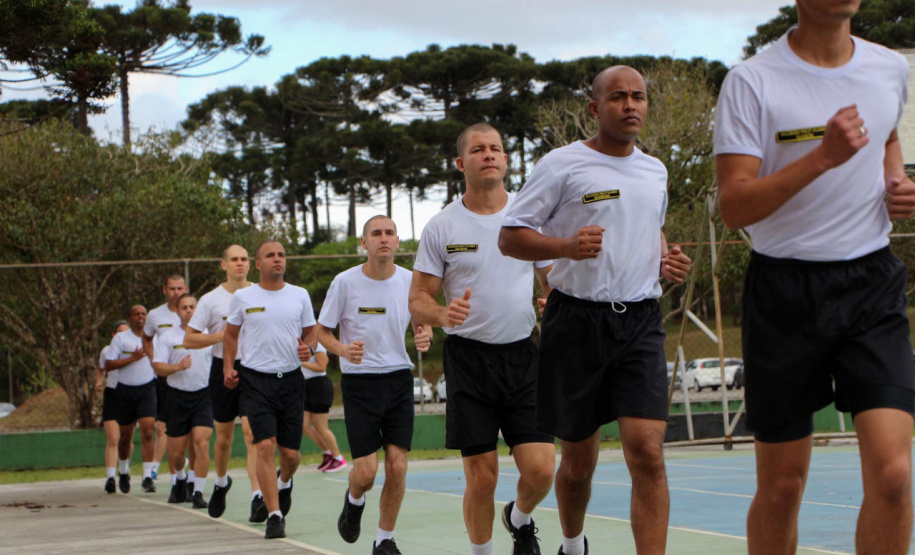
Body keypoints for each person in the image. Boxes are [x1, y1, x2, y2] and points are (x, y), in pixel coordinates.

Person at [713, 1, 915, 553]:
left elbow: (887, 139)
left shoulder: (889, 67)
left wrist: (895, 182)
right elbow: (734, 206)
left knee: (895, 475)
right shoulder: (752, 81)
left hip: (871, 285)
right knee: (781, 487)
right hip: (784, 291)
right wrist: (822, 156)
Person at [499, 66, 692, 555]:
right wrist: (564, 245)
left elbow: (648, 228)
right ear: (595, 108)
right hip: (577, 321)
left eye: (639, 97)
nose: (630, 105)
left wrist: (664, 257)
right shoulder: (561, 165)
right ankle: (571, 543)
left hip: (641, 323)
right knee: (579, 462)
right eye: (618, 97)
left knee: (647, 453)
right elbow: (510, 236)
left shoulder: (656, 170)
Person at [409, 123, 556, 555]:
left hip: (521, 357)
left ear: (506, 160)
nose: (488, 154)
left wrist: (555, 302)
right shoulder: (442, 226)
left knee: (542, 469)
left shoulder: (529, 217)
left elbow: (554, 281)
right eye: (478, 150)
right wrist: (442, 313)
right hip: (468, 361)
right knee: (483, 476)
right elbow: (417, 299)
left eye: (496, 148)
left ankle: (519, 517)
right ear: (461, 164)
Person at [317, 215, 431, 555]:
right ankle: (354, 500)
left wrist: (423, 333)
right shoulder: (344, 282)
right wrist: (341, 350)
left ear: (398, 242)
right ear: (364, 243)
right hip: (360, 383)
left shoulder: (412, 282)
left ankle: (384, 540)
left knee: (398, 465)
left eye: (390, 233)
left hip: (398, 379)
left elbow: (421, 322)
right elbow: (321, 333)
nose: (384, 238)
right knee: (365, 472)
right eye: (376, 233)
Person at [223, 240, 318, 540]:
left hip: (291, 381)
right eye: (270, 255)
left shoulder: (299, 295)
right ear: (258, 263)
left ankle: (285, 482)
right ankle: (274, 515)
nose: (277, 259)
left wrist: (310, 348)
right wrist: (228, 368)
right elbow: (230, 335)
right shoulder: (242, 297)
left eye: (281, 255)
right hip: (255, 380)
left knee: (290, 455)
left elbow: (311, 332)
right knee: (264, 445)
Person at [184, 245, 265, 521]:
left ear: (250, 265)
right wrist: (220, 337)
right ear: (224, 265)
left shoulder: (260, 293)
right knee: (224, 439)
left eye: (244, 259)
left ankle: (257, 496)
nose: (240, 263)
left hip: (254, 369)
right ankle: (221, 482)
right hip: (222, 368)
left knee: (253, 435)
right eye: (234, 259)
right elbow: (189, 339)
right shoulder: (210, 300)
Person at [153, 293, 214, 510]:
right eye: (184, 307)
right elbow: (158, 367)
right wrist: (177, 367)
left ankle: (197, 492)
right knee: (177, 453)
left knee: (201, 442)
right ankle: (180, 476)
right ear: (177, 311)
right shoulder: (168, 337)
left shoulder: (207, 335)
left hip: (203, 396)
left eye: (192, 307)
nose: (188, 310)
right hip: (177, 397)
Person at [105, 305, 160, 494]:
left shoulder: (153, 337)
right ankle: (124, 470)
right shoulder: (121, 339)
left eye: (143, 314)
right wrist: (132, 358)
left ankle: (147, 477)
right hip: (125, 390)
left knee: (147, 430)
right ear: (129, 317)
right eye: (136, 314)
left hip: (147, 389)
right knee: (126, 435)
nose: (140, 317)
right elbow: (109, 364)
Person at [142, 274, 188, 485]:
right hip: (165, 379)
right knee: (163, 428)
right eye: (172, 289)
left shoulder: (195, 312)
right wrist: (154, 361)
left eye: (180, 288)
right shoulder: (155, 315)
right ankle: (172, 478)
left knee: (188, 432)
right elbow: (147, 338)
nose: (176, 292)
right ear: (164, 290)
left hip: (191, 380)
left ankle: (186, 473)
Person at [300, 343, 347, 473]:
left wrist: (300, 363)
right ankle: (328, 453)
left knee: (321, 427)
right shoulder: (297, 342)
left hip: (319, 386)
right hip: (306, 386)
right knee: (304, 425)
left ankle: (339, 458)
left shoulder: (317, 345)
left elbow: (321, 367)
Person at [97, 320, 130, 494]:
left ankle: (124, 469)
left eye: (127, 332)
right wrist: (98, 382)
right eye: (119, 333)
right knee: (112, 438)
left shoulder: (135, 349)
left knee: (125, 438)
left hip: (129, 394)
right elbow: (101, 368)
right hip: (112, 395)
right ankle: (110, 478)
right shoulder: (107, 351)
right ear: (113, 335)